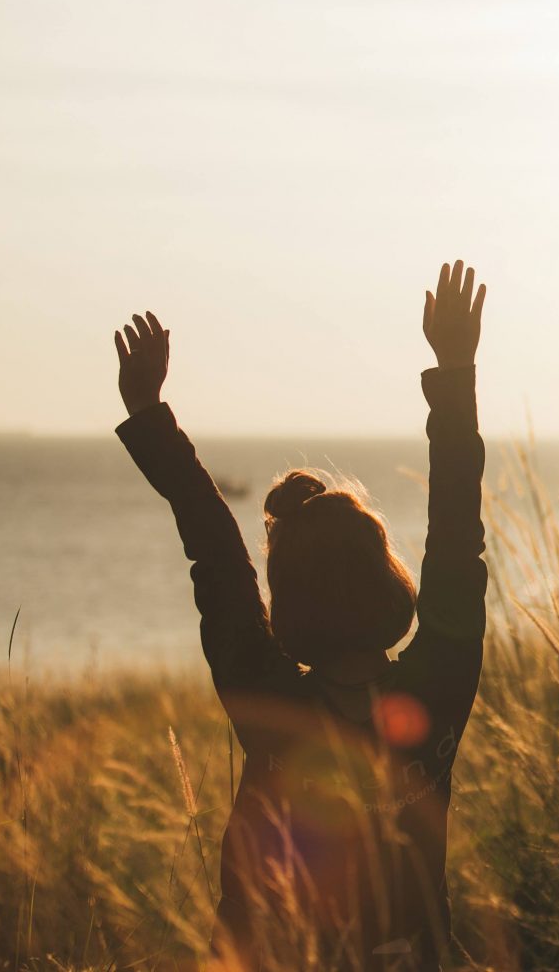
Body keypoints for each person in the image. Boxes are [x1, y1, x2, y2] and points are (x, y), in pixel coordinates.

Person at [111, 262, 488, 970]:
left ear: (288, 600)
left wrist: (152, 417)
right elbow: (457, 535)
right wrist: (455, 372)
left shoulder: (271, 701)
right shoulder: (434, 691)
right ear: (387, 580)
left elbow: (218, 559)